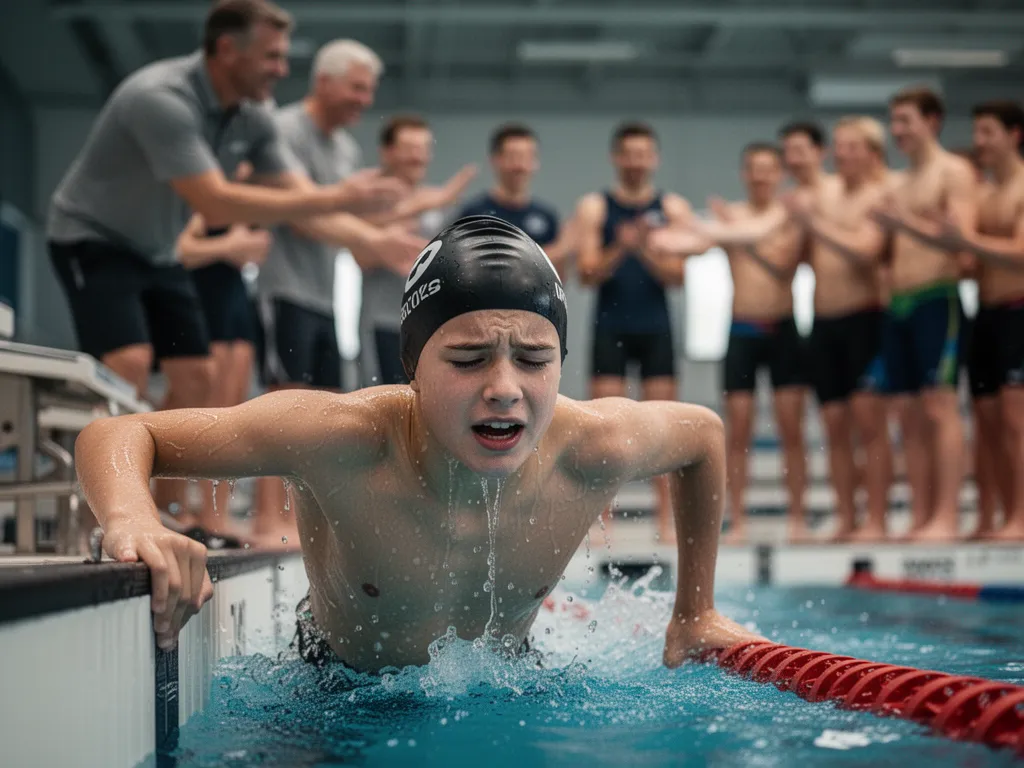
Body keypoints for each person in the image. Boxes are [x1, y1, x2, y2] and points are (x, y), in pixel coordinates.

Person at [73, 215, 761, 669]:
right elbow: (120, 431)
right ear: (412, 367)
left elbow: (703, 435)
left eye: (533, 358)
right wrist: (133, 518)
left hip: (512, 682)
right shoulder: (341, 437)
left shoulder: (592, 445)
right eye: (466, 360)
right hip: (336, 694)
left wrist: (694, 612)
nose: (504, 387)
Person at [47, 0, 417, 535]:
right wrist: (340, 201)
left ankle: (170, 515)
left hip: (158, 250)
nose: (283, 70)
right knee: (128, 363)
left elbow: (306, 202)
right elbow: (216, 202)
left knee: (197, 380)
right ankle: (96, 516)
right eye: (271, 57)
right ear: (226, 50)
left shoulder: (253, 116)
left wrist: (375, 240)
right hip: (91, 237)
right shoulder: (162, 99)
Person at [665, 143, 811, 544]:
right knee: (738, 432)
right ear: (744, 174)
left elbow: (784, 267)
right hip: (741, 331)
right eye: (754, 170)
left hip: (782, 328)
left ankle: (797, 518)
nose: (761, 176)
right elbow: (694, 245)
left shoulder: (788, 216)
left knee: (791, 430)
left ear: (779, 174)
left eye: (768, 170)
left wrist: (734, 238)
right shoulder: (730, 217)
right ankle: (740, 519)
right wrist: (659, 238)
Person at [575, 122, 696, 544]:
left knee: (660, 431)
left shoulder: (673, 208)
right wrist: (621, 246)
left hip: (655, 327)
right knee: (604, 427)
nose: (636, 161)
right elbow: (586, 274)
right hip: (610, 324)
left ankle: (666, 523)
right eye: (629, 153)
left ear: (655, 158)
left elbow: (678, 276)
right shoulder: (596, 207)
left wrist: (643, 247)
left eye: (644, 153)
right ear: (616, 157)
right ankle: (600, 522)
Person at [871, 86, 978, 541]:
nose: (898, 130)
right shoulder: (897, 183)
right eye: (893, 121)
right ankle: (920, 516)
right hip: (900, 306)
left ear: (933, 121)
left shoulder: (954, 172)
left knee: (939, 408)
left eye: (906, 121)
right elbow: (883, 250)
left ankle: (948, 517)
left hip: (938, 299)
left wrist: (903, 224)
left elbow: (963, 243)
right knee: (907, 415)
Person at [791, 118, 893, 541]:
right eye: (839, 145)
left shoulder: (881, 195)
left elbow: (866, 252)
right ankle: (847, 517)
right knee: (833, 426)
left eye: (852, 147)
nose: (842, 154)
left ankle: (877, 519)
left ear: (873, 152)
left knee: (870, 426)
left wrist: (813, 225)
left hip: (865, 320)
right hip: (824, 323)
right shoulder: (825, 194)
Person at [933, 100, 1024, 540]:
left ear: (1014, 134)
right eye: (978, 132)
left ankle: (1020, 517)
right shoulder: (985, 195)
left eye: (988, 132)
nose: (979, 142)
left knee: (1014, 420)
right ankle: (991, 516)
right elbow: (975, 259)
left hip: (1018, 312)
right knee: (986, 422)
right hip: (985, 314)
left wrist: (965, 239)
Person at [175, 161, 271, 541]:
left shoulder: (245, 208)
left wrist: (239, 244)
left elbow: (256, 251)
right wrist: (230, 244)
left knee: (230, 414)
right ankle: (178, 507)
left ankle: (216, 514)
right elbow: (181, 249)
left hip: (235, 299)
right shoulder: (202, 202)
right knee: (196, 410)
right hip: (204, 296)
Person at [359, 114, 476, 387]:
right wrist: (418, 207)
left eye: (423, 149)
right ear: (387, 152)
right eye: (409, 149)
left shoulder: (440, 202)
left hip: (432, 326)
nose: (418, 158)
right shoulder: (370, 200)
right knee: (387, 404)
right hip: (384, 322)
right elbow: (360, 254)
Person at [458, 123, 576, 276]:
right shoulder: (473, 214)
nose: (520, 166)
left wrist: (567, 252)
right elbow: (475, 270)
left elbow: (558, 279)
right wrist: (559, 249)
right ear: (495, 160)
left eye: (528, 157)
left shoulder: (547, 215)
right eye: (513, 156)